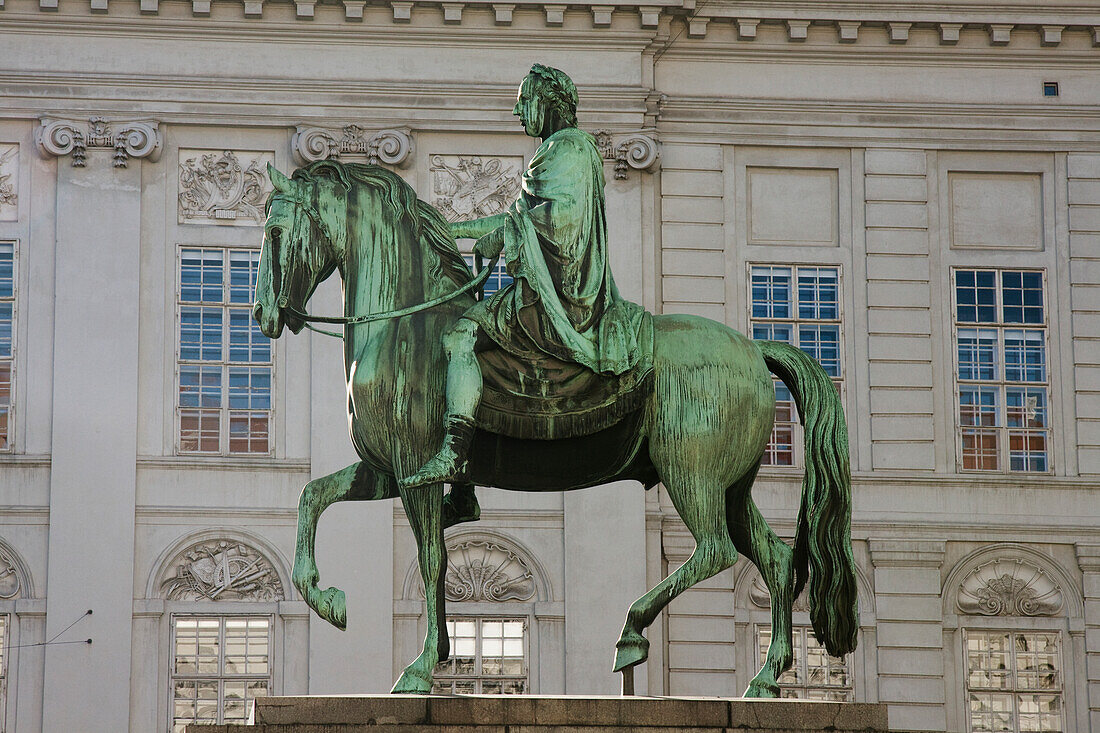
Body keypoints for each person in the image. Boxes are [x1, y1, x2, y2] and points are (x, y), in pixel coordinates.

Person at [401, 64, 647, 501]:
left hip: (560, 294)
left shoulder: (565, 149)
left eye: (523, 100)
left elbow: (560, 223)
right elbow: (523, 218)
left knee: (459, 338)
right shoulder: (564, 149)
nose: (517, 110)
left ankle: (455, 457)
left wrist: (501, 234)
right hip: (552, 283)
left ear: (547, 100)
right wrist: (453, 229)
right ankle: (463, 489)